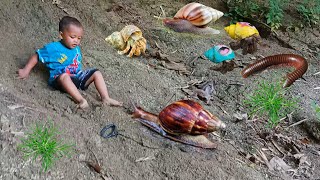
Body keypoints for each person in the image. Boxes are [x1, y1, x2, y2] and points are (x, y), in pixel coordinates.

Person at [18, 16, 123, 109]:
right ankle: (81, 100)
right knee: (64, 76)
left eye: (79, 38)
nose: (76, 41)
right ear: (61, 35)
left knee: (96, 73)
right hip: (60, 80)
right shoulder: (53, 48)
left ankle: (106, 98)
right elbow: (37, 56)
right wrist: (26, 70)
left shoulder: (76, 48)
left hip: (76, 77)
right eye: (72, 37)